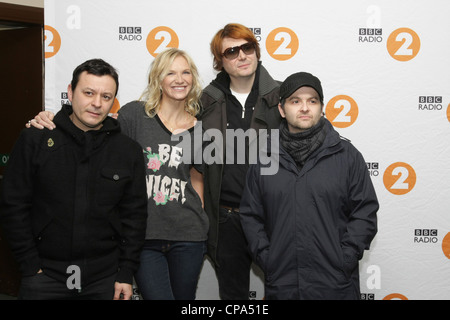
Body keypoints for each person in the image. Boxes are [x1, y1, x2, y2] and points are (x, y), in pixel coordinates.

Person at [26, 48, 208, 300]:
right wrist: (49, 118)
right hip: (143, 236)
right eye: (170, 72)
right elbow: (95, 129)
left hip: (189, 235)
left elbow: (196, 176)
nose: (179, 79)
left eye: (186, 72)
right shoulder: (134, 115)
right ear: (158, 78)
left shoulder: (200, 128)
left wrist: (199, 211)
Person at [0, 59, 148, 300]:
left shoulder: (127, 150)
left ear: (114, 101)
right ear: (70, 92)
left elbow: (135, 216)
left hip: (104, 279)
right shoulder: (35, 139)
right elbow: (13, 205)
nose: (97, 103)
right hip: (44, 277)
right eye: (88, 93)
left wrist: (125, 272)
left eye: (106, 96)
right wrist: (30, 265)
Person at [239, 71, 379, 299]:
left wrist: (346, 257)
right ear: (282, 110)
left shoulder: (348, 156)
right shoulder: (264, 159)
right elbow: (250, 215)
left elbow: (365, 212)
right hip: (283, 284)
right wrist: (267, 258)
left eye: (312, 101)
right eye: (295, 101)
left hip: (335, 285)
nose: (304, 108)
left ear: (321, 108)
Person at [199, 23, 281, 300]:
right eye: (231, 51)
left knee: (284, 290)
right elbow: (163, 116)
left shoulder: (282, 96)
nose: (242, 56)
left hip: (274, 216)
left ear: (257, 51)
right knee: (233, 297)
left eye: (247, 48)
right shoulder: (204, 102)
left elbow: (313, 129)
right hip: (226, 218)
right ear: (220, 62)